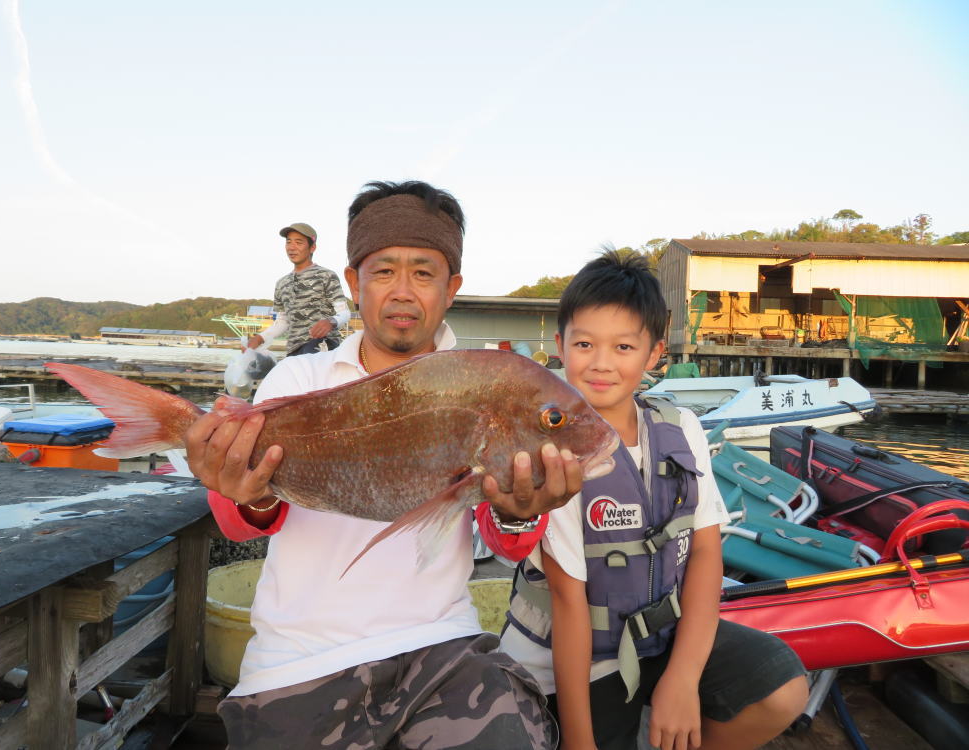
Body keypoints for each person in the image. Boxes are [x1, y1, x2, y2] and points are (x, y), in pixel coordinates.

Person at [185, 181, 583, 749]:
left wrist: (520, 512)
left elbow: (508, 543)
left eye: (423, 273)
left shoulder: (481, 385)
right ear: (354, 282)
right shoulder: (299, 378)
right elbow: (239, 521)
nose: (402, 291)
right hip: (298, 659)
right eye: (384, 271)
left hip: (441, 647)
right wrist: (245, 492)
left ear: (452, 288)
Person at [498, 250, 809, 750]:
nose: (601, 363)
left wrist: (683, 678)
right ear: (560, 346)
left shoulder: (680, 428)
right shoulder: (549, 456)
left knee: (781, 687)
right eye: (584, 344)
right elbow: (569, 604)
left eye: (623, 346)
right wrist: (580, 742)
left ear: (654, 353)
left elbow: (704, 552)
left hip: (659, 637)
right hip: (572, 661)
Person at [246, 222, 351, 356]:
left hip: (322, 347)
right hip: (293, 350)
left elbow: (345, 313)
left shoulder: (326, 275)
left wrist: (331, 322)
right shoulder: (281, 283)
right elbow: (283, 322)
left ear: (312, 247)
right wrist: (259, 338)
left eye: (298, 242)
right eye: (288, 242)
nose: (292, 247)